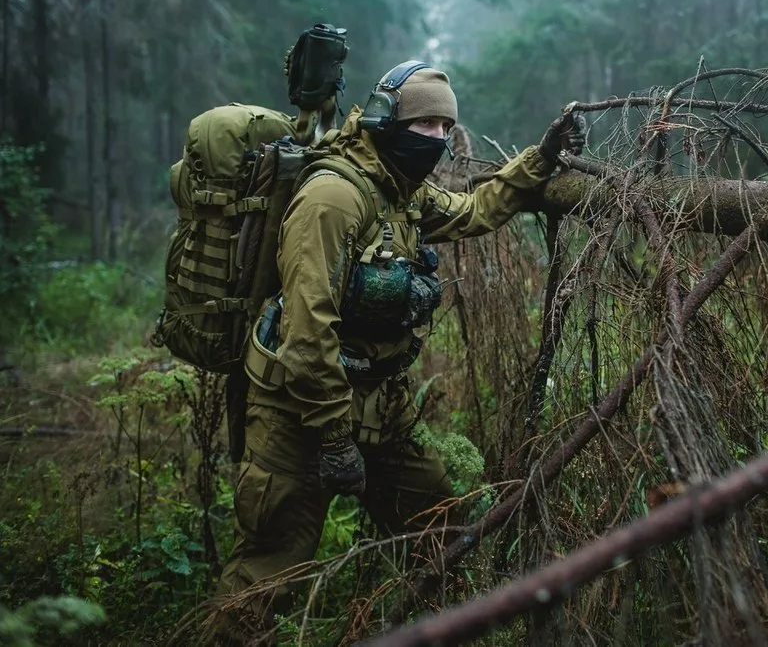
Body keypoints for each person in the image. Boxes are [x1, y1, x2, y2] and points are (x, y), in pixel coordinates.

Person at [214, 60, 586, 638]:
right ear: (388, 120)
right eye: (426, 124)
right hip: (296, 412)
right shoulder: (334, 197)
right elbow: (307, 335)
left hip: (376, 406)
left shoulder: (401, 189)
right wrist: (335, 439)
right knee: (270, 571)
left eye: (446, 127)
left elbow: (474, 211)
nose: (437, 139)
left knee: (436, 520)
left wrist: (541, 158)